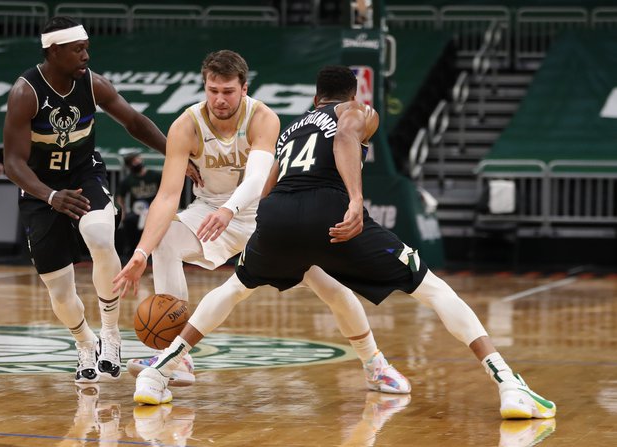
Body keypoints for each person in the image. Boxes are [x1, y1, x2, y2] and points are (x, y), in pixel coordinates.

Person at [115, 65, 557, 420]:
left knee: (234, 289)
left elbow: (269, 183)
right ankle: (509, 386)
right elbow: (347, 135)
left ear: (313, 99)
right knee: (434, 289)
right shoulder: (356, 112)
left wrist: (265, 228)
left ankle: (158, 374)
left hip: (277, 216)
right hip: (328, 212)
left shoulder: (290, 129)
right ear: (354, 97)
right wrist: (356, 198)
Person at [118, 50, 409, 394]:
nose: (219, 99)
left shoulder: (262, 118)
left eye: (227, 91)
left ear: (244, 88)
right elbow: (167, 197)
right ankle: (178, 359)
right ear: (204, 86)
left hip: (266, 213)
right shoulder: (186, 125)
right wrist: (141, 252)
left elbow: (257, 179)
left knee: (332, 289)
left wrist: (230, 209)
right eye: (212, 90)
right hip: (209, 210)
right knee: (164, 240)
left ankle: (374, 362)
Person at [3, 16, 167, 383]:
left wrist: (176, 156)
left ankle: (110, 333)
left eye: (87, 47)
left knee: (99, 235)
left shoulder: (92, 84)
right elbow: (12, 162)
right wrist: (49, 196)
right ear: (54, 51)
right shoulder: (25, 92)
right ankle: (83, 342)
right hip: (39, 188)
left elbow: (135, 122)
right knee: (58, 289)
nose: (86, 55)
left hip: (84, 174)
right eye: (78, 49)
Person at [115, 151, 162, 261]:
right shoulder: (128, 180)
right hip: (137, 212)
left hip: (155, 210)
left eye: (137, 159)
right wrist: (123, 213)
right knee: (129, 222)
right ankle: (132, 251)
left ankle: (155, 253)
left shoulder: (155, 176)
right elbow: (120, 197)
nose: (136, 163)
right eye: (133, 162)